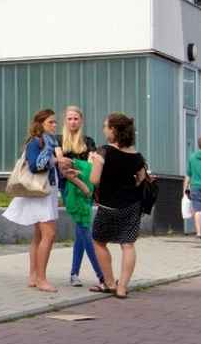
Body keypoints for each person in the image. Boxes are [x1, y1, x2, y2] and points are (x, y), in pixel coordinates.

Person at [90, 112, 150, 300]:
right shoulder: (137, 155)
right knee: (128, 245)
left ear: (113, 130)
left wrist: (92, 162)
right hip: (131, 205)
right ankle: (122, 287)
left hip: (108, 206)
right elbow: (141, 179)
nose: (104, 129)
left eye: (105, 126)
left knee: (99, 241)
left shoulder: (103, 151)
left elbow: (94, 179)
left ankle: (109, 283)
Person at [4, 109, 60, 293]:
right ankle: (41, 279)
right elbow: (36, 166)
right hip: (39, 193)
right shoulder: (37, 142)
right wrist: (52, 156)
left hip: (46, 192)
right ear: (41, 124)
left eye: (55, 122)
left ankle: (34, 276)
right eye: (51, 122)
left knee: (39, 235)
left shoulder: (48, 141)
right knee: (49, 235)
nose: (54, 125)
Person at [55, 105, 102, 288]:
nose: (73, 122)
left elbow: (91, 168)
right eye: (69, 119)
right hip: (70, 189)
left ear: (81, 120)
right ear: (65, 121)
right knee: (84, 229)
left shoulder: (88, 141)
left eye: (76, 118)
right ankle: (101, 274)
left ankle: (74, 273)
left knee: (81, 231)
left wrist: (77, 166)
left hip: (87, 190)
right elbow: (64, 169)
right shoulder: (58, 141)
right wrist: (77, 169)